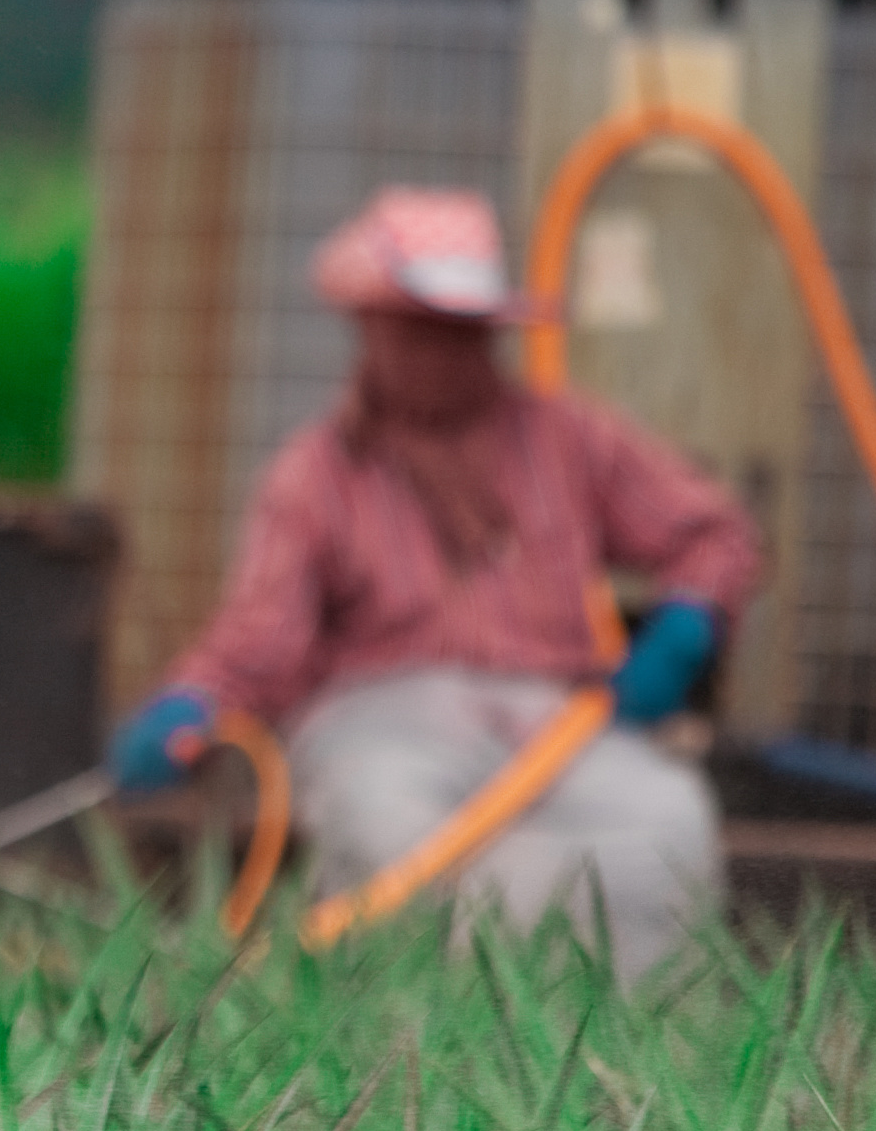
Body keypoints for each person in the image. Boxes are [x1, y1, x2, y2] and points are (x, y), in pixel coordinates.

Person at [105, 185, 761, 982]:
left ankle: (638, 1043)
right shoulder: (315, 474)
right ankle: (415, 1039)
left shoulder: (569, 438)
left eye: (462, 333)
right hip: (384, 724)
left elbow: (712, 532)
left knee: (666, 818)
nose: (442, 353)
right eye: (418, 331)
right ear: (370, 330)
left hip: (557, 722)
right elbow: (263, 637)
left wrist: (686, 622)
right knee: (386, 827)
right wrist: (194, 702)